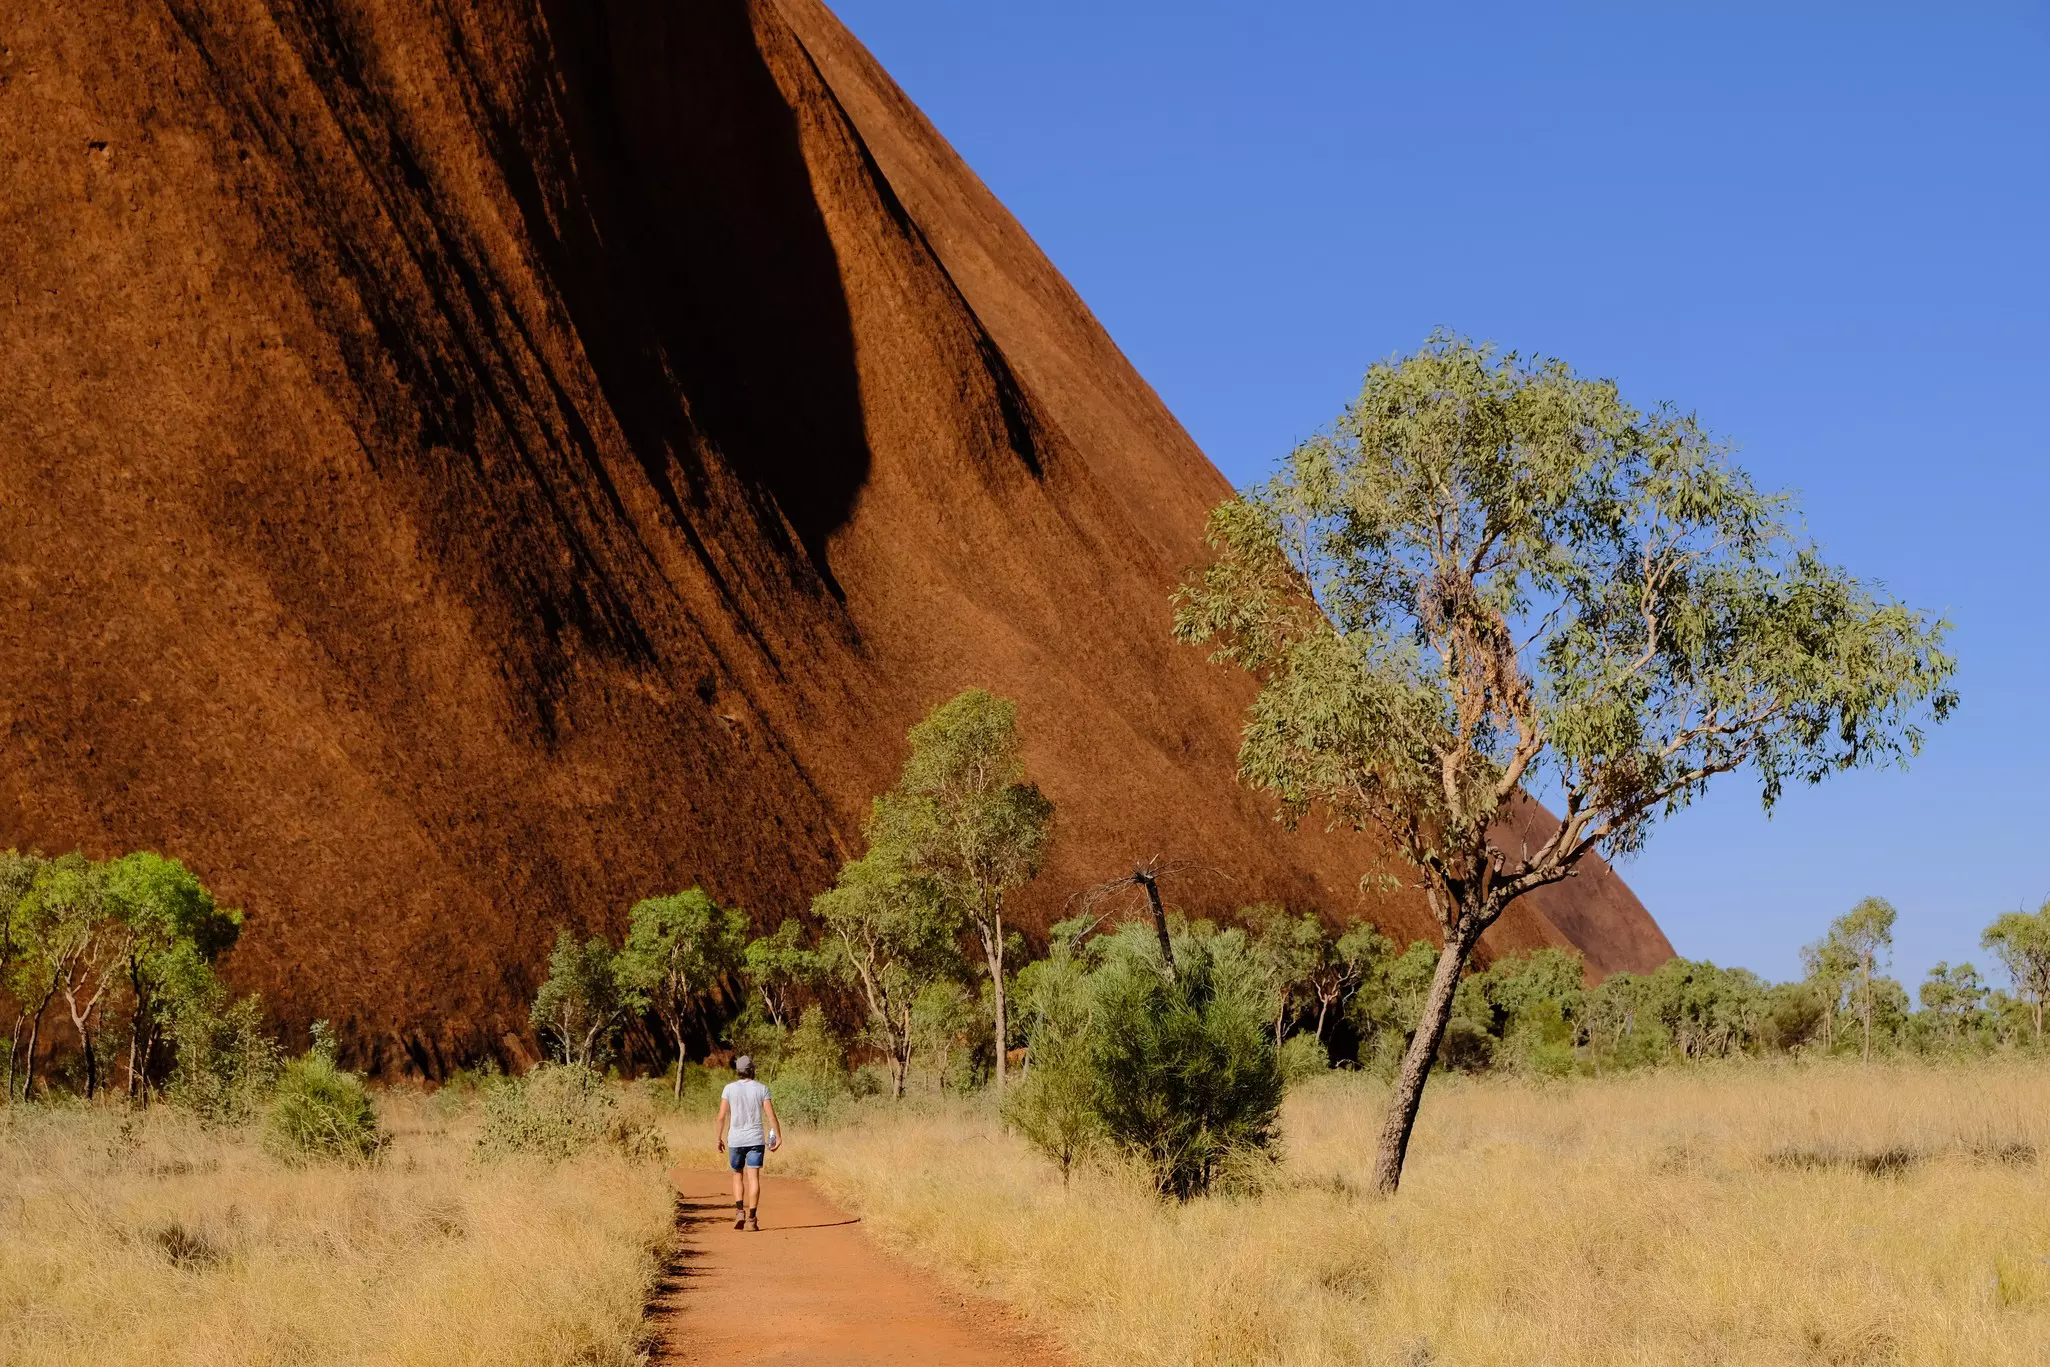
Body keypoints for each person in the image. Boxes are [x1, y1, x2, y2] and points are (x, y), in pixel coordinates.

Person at [714, 1055, 781, 1230]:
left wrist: (718, 1138)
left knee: (737, 1175)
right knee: (753, 1178)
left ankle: (739, 1212)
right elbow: (771, 1116)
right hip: (755, 1139)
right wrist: (778, 1136)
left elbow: (721, 1116)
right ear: (752, 1070)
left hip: (735, 1139)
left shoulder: (729, 1089)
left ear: (738, 1071)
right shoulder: (762, 1089)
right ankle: (751, 1219)